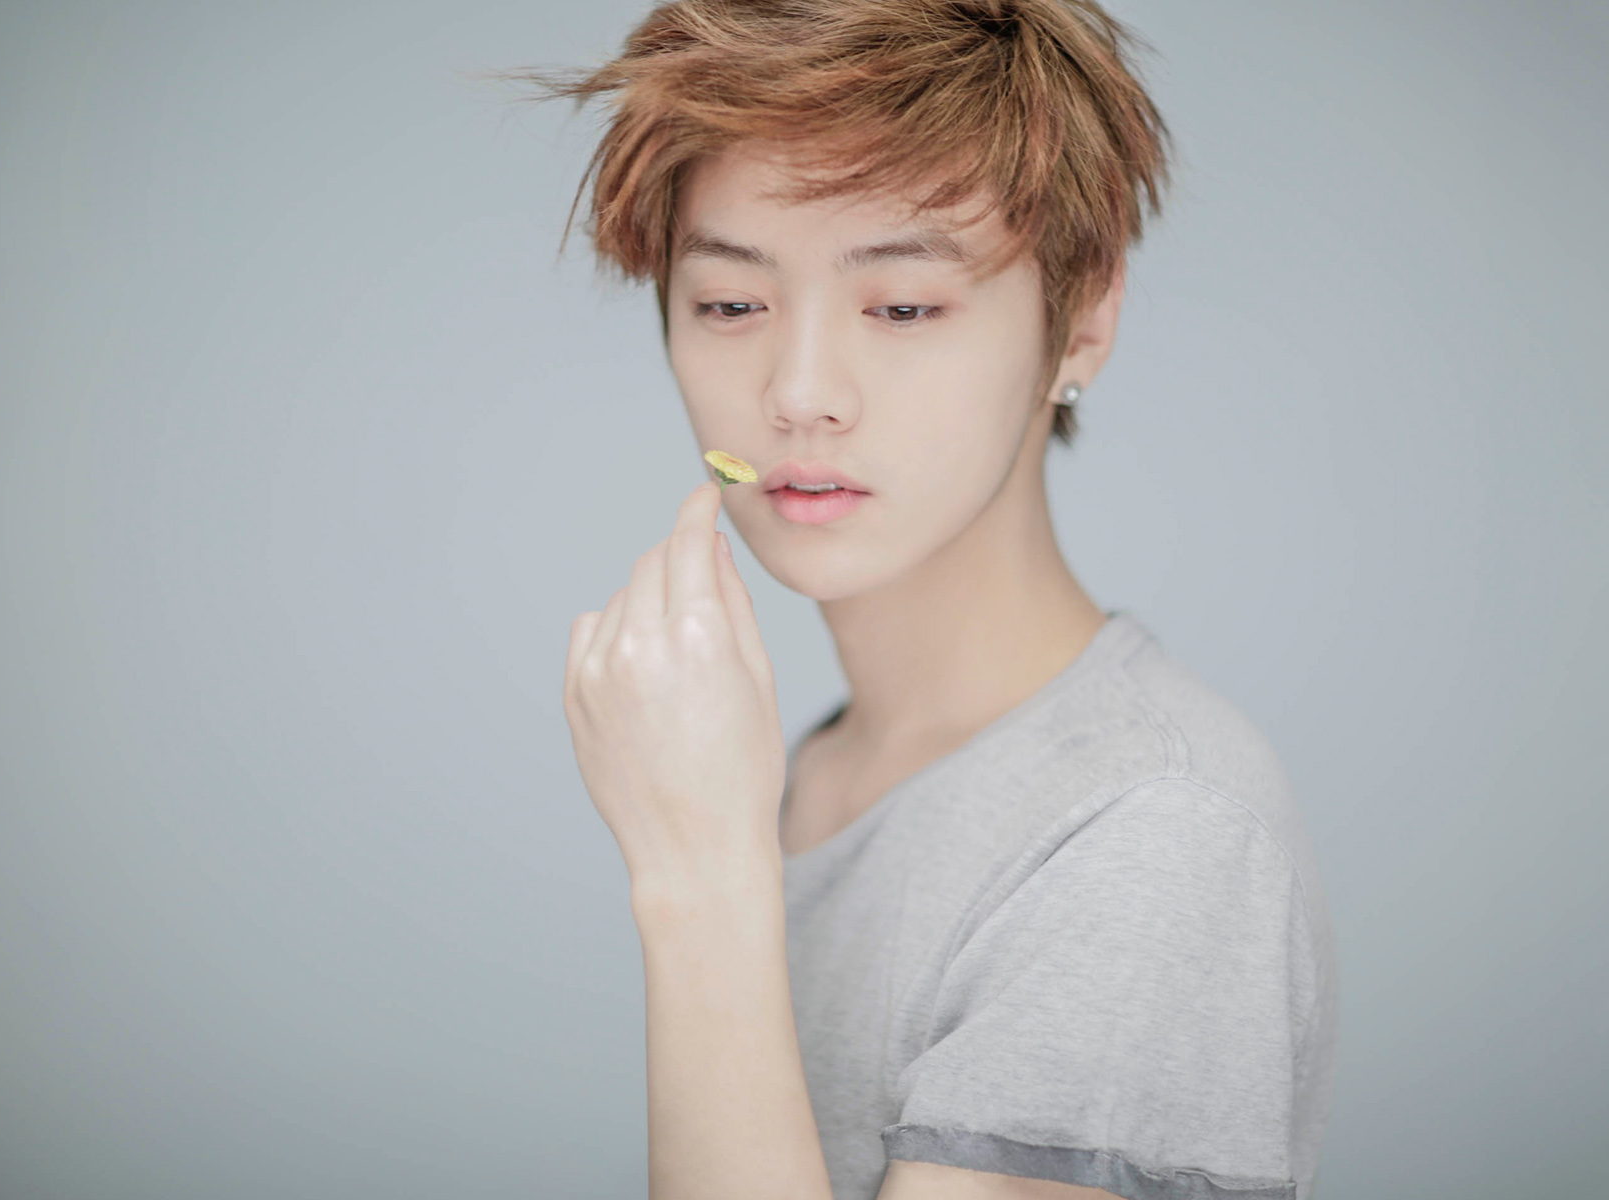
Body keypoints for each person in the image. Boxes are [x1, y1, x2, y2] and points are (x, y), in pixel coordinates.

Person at [513, 2, 1338, 1197]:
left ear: (1083, 322)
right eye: (731, 304)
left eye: (902, 307)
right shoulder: (805, 771)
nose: (799, 393)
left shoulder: (1153, 836)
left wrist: (698, 886)